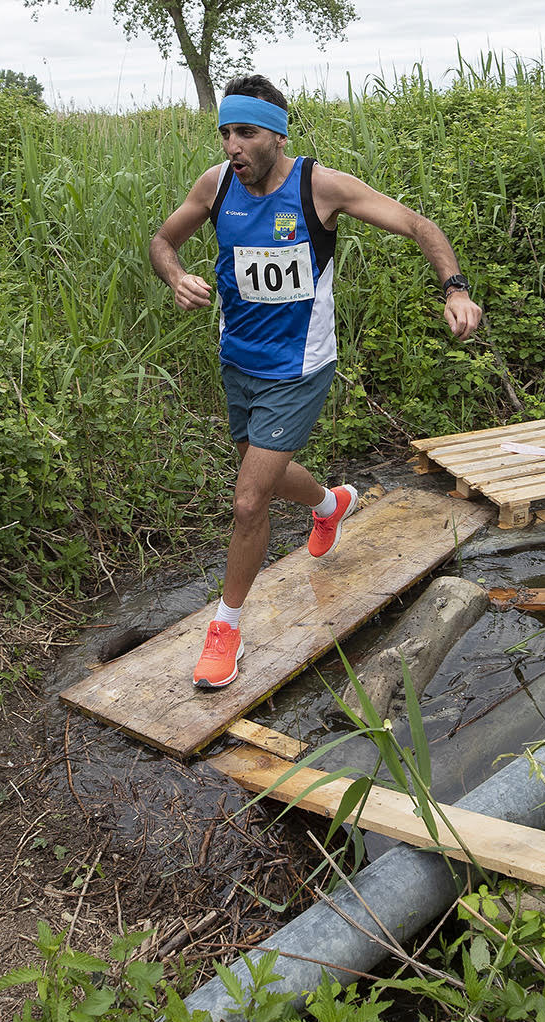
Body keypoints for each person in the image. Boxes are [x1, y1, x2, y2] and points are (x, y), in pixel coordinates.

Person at [149, 74, 483, 690]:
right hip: (238, 360)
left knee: (249, 500)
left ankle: (226, 629)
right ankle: (332, 504)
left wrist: (455, 290)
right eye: (225, 133)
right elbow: (163, 240)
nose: (232, 147)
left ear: (276, 134)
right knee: (261, 469)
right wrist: (173, 275)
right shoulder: (216, 185)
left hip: (298, 367)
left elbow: (417, 224)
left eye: (245, 133)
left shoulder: (317, 187)